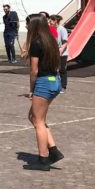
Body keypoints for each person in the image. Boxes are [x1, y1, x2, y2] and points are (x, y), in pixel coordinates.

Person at [22, 14, 65, 171]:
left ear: (34, 25)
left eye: (28, 24)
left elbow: (34, 70)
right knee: (33, 117)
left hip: (44, 82)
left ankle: (43, 159)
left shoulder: (36, 43)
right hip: (55, 80)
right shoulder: (50, 40)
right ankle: (53, 151)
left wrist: (32, 89)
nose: (26, 27)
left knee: (38, 121)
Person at [50, 14, 70, 92]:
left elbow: (65, 42)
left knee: (62, 70)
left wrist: (61, 51)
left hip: (62, 54)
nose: (49, 22)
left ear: (55, 21)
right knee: (52, 70)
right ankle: (53, 85)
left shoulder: (62, 29)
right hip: (53, 53)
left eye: (51, 21)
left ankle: (63, 86)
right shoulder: (51, 29)